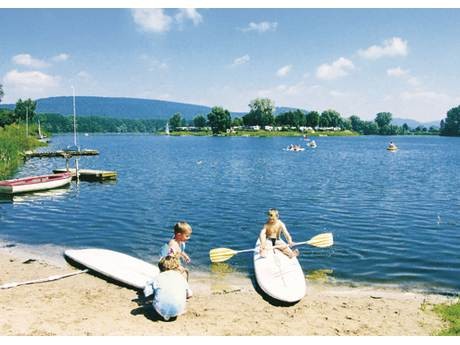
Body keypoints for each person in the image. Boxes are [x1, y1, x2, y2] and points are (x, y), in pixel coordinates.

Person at [144, 255, 192, 321]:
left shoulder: (159, 277)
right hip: (177, 311)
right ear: (177, 266)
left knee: (155, 293)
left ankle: (163, 306)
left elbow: (146, 293)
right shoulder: (181, 277)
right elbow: (189, 295)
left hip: (159, 312)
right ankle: (177, 308)